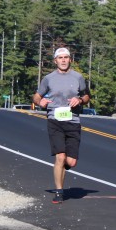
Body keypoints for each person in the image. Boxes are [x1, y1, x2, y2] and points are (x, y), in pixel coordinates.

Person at [33, 47, 90, 204]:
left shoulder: (78, 77)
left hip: (73, 121)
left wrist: (80, 100)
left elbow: (86, 96)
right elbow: (36, 96)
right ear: (55, 61)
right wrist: (40, 101)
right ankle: (59, 191)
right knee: (60, 156)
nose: (63, 60)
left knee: (71, 162)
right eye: (60, 58)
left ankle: (63, 168)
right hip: (54, 120)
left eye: (66, 57)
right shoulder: (48, 78)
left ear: (70, 60)